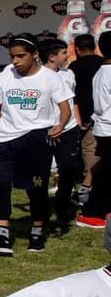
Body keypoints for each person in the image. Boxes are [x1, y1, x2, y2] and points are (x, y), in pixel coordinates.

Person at [0, 33, 72, 256]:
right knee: (1, 184)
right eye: (12, 56)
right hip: (6, 138)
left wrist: (61, 125)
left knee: (35, 188)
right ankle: (2, 236)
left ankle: (37, 232)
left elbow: (65, 108)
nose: (15, 61)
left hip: (36, 138)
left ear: (35, 55)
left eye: (21, 56)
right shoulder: (4, 77)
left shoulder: (51, 78)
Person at [40, 38, 84, 233]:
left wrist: (77, 121)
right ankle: (39, 208)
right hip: (44, 130)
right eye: (64, 53)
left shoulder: (69, 74)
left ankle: (62, 207)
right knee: (39, 173)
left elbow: (72, 100)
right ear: (52, 56)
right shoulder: (37, 76)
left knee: (69, 169)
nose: (67, 56)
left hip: (68, 130)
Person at [77, 30, 111, 230]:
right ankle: (92, 212)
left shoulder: (101, 71)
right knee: (106, 174)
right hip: (108, 128)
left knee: (105, 170)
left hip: (103, 127)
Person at [68, 33, 102, 205]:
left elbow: (71, 93)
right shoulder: (102, 64)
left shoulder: (74, 67)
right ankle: (88, 185)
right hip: (101, 114)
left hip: (81, 114)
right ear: (94, 47)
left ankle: (86, 187)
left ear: (77, 49)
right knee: (93, 151)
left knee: (86, 150)